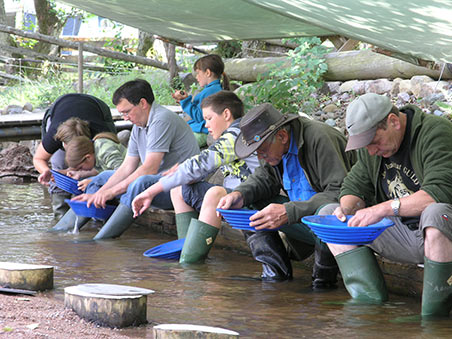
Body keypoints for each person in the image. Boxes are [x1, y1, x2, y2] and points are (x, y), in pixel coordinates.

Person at [319, 93, 452, 317]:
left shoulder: (436, 132)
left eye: (374, 142)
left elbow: (438, 193)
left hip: (442, 232)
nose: (370, 150)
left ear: (394, 121)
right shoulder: (371, 148)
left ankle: (432, 318)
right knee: (328, 216)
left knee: (435, 213)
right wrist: (346, 209)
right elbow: (354, 186)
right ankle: (370, 309)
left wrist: (380, 209)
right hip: (405, 235)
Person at [217, 103, 356, 285]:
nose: (260, 157)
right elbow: (264, 179)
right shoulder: (274, 148)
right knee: (245, 203)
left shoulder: (320, 138)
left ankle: (323, 283)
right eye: (256, 152)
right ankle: (275, 277)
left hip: (343, 225)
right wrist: (238, 195)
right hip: (305, 223)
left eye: (262, 150)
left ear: (282, 136)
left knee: (328, 212)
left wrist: (288, 211)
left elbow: (340, 193)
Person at [53, 79, 200, 238]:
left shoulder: (161, 119)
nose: (125, 118)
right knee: (102, 177)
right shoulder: (139, 126)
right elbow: (126, 167)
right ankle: (59, 231)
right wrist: (100, 193)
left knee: (139, 183)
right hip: (157, 183)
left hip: (179, 189)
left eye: (126, 112)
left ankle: (101, 240)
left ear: (142, 103)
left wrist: (110, 193)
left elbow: (149, 169)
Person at [132, 91, 259, 263]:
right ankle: (185, 250)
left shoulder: (236, 136)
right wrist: (181, 175)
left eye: (208, 118)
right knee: (178, 188)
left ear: (226, 114)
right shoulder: (231, 135)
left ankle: (190, 265)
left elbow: (201, 164)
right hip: (237, 197)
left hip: (251, 197)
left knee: (215, 193)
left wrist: (150, 191)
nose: (205, 125)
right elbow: (201, 169)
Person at [33, 93, 116, 217]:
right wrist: (47, 172)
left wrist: (91, 178)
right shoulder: (55, 135)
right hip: (60, 107)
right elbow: (38, 158)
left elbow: (112, 168)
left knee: (98, 164)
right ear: (63, 143)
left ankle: (97, 211)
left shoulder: (101, 134)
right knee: (59, 165)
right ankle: (60, 214)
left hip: (96, 107)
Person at [172, 54, 230, 147]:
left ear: (207, 73)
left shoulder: (210, 91)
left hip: (202, 132)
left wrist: (185, 101)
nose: (196, 77)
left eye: (198, 73)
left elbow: (199, 116)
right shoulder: (214, 89)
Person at [61, 126, 127, 191]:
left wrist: (93, 181)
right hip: (119, 178)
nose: (81, 170)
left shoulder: (105, 151)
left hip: (130, 179)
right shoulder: (93, 153)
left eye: (80, 168)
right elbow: (101, 169)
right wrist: (80, 174)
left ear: (88, 157)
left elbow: (122, 173)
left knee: (92, 187)